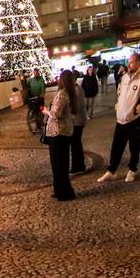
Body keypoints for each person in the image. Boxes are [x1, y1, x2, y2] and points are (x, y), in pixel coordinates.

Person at [97, 52, 140, 184]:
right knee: (116, 146)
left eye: (132, 62)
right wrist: (118, 106)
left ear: (139, 63)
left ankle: (132, 170)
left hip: (135, 119)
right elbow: (120, 93)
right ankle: (111, 171)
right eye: (129, 61)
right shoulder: (124, 78)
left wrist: (137, 109)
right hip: (120, 119)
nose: (129, 64)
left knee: (134, 146)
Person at [43, 70, 76, 201]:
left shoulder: (62, 94)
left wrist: (46, 111)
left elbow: (56, 114)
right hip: (62, 132)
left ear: (62, 80)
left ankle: (65, 192)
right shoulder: (69, 93)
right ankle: (59, 190)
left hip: (58, 133)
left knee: (59, 165)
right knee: (59, 164)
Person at [70, 69, 88, 174]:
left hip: (77, 122)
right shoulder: (74, 90)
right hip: (76, 121)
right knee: (75, 144)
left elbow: (77, 107)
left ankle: (79, 165)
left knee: (75, 144)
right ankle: (78, 165)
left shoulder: (78, 90)